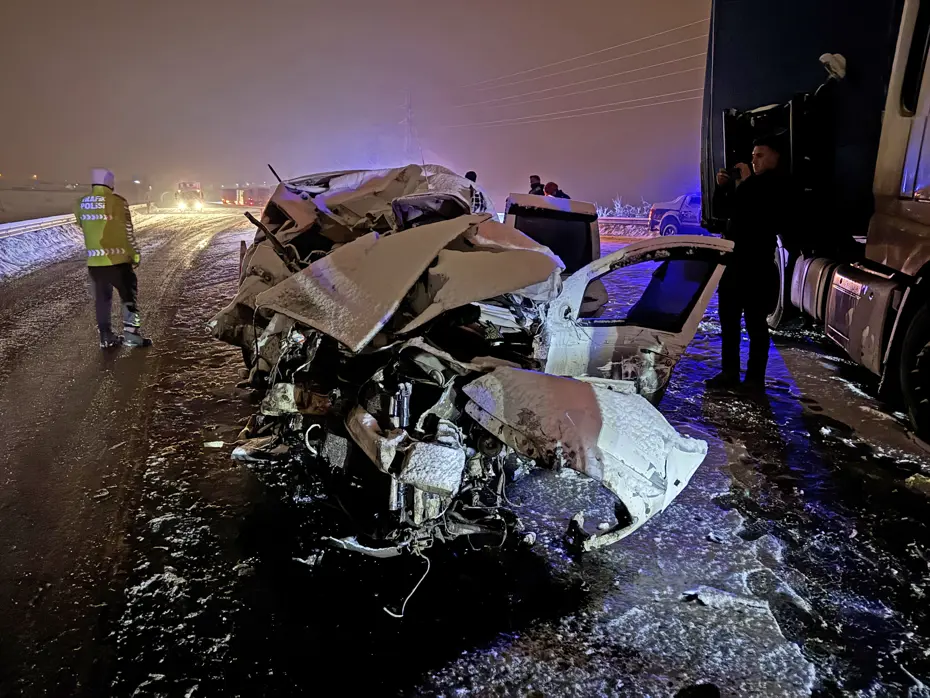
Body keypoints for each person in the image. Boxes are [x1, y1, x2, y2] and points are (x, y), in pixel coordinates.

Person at [708, 135, 791, 391]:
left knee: (756, 325)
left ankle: (755, 379)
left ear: (775, 157)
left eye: (760, 155)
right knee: (729, 322)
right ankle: (729, 373)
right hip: (733, 266)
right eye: (753, 155)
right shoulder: (748, 185)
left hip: (756, 267)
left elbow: (754, 212)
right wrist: (722, 187)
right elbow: (723, 212)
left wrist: (743, 182)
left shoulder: (775, 185)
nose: (754, 160)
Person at [75, 168, 152, 349]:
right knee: (128, 298)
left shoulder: (80, 203)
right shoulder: (119, 202)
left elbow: (82, 225)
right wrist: (135, 254)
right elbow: (127, 232)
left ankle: (105, 337)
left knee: (102, 301)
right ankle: (132, 335)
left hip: (94, 264)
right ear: (110, 183)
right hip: (118, 262)